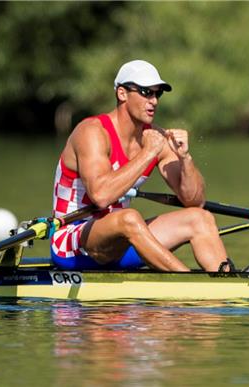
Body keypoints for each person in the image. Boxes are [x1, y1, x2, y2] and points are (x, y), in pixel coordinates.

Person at [50, 59, 235, 272]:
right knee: (129, 218)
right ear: (122, 93)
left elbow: (195, 200)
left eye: (158, 94)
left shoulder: (155, 138)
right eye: (146, 92)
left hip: (122, 242)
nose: (154, 101)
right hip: (73, 241)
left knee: (200, 219)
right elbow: (100, 196)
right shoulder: (92, 132)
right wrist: (148, 153)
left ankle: (226, 282)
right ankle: (188, 282)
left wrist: (185, 159)